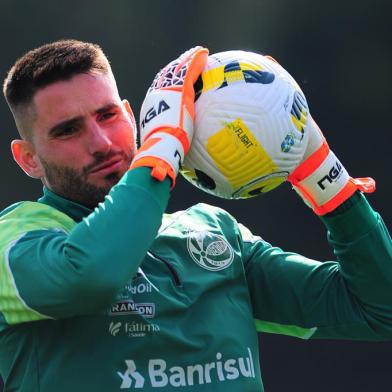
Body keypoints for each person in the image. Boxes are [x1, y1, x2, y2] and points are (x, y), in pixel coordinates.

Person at [0, 39, 391, 392]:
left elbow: (379, 310)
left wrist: (322, 171)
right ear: (28, 159)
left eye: (107, 116)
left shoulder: (213, 233)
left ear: (131, 116)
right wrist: (162, 149)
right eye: (67, 131)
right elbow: (91, 274)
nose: (101, 144)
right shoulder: (16, 240)